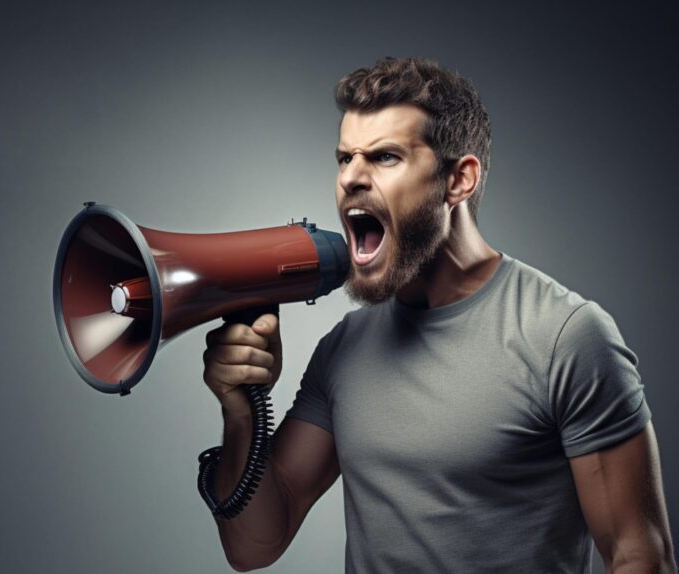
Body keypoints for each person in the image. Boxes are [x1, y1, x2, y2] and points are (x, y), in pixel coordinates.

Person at [201, 57, 676, 572]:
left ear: (459, 180)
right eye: (344, 159)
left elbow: (638, 553)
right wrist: (241, 411)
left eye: (383, 157)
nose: (350, 180)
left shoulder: (565, 335)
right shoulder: (344, 348)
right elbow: (253, 546)